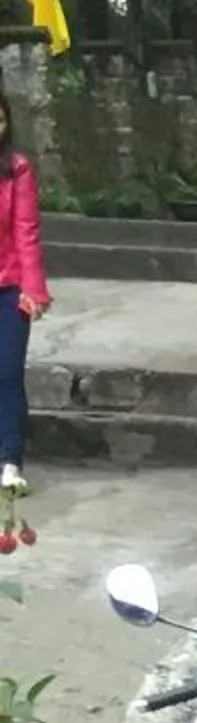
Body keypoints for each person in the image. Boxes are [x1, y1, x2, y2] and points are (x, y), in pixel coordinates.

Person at [0, 86, 48, 492]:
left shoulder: (16, 169)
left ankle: (10, 461)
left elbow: (26, 231)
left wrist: (33, 289)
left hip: (9, 287)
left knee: (8, 373)